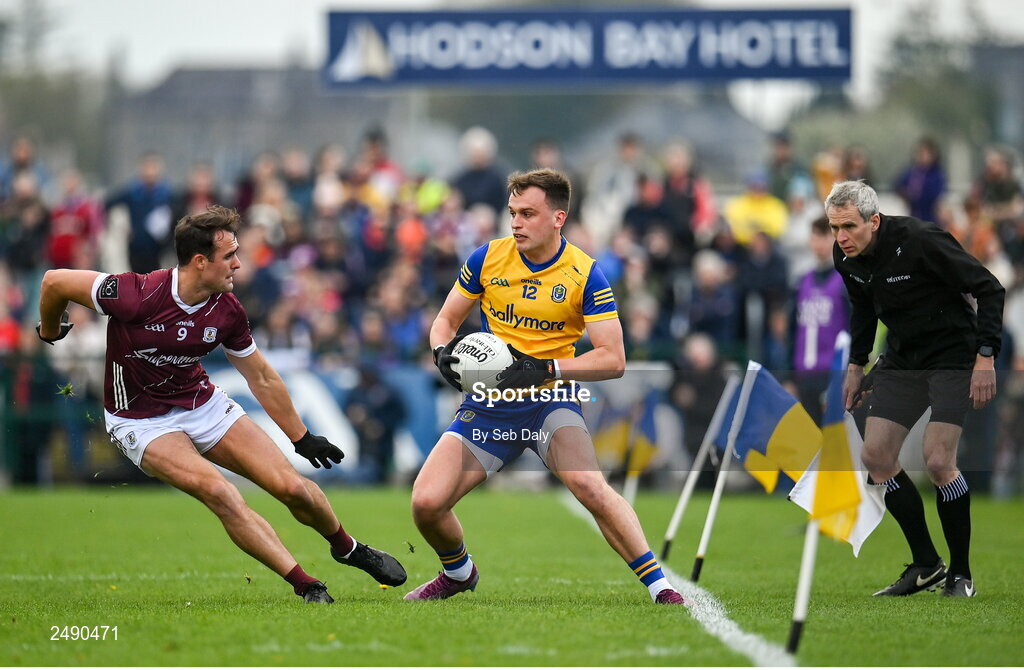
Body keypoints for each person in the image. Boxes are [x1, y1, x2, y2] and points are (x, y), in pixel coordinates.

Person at [36, 205, 406, 603]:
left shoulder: (228, 310)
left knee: (293, 488)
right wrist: (51, 329)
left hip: (201, 403)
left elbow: (260, 375)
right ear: (200, 261)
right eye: (229, 256)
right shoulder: (135, 292)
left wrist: (301, 438)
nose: (239, 264)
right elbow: (54, 282)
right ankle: (306, 583)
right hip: (139, 420)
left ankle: (348, 548)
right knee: (221, 492)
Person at [407, 169, 687, 605]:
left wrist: (547, 369)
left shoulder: (585, 274)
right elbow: (444, 321)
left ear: (558, 218)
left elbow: (614, 359)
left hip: (549, 401)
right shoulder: (486, 258)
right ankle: (459, 573)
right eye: (512, 213)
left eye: (528, 214)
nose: (516, 223)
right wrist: (443, 351)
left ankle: (661, 587)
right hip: (489, 405)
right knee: (425, 503)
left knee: (591, 487)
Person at [826, 181, 1005, 598]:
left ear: (874, 220)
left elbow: (990, 287)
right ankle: (926, 565)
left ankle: (961, 573)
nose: (840, 238)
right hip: (903, 360)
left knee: (939, 461)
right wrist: (856, 364)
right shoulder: (845, 256)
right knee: (876, 456)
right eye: (834, 227)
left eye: (848, 227)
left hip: (952, 357)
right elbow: (864, 309)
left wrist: (986, 356)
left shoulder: (922, 240)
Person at [792, 216, 850, 425]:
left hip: (833, 374)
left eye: (825, 236)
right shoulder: (802, 282)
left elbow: (853, 327)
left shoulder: (845, 281)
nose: (819, 242)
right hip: (805, 374)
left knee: (835, 440)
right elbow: (793, 330)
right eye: (815, 236)